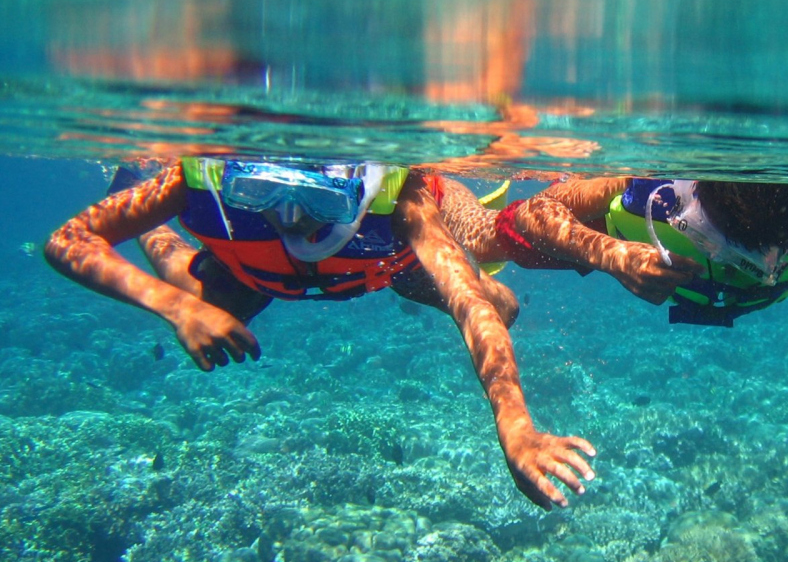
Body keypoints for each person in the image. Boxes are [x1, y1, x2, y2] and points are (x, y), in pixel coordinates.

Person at [43, 157, 595, 510]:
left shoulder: (401, 205)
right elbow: (70, 240)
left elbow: (472, 306)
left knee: (499, 302)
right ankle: (143, 208)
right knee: (192, 294)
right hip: (252, 271)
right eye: (260, 190)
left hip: (387, 265)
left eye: (322, 201)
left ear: (362, 187)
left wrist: (517, 429)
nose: (292, 220)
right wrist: (174, 310)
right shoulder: (200, 179)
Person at [442, 177, 788, 383]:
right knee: (486, 242)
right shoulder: (651, 184)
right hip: (608, 238)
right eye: (719, 238)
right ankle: (440, 189)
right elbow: (536, 209)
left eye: (766, 255)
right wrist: (613, 254)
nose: (753, 263)